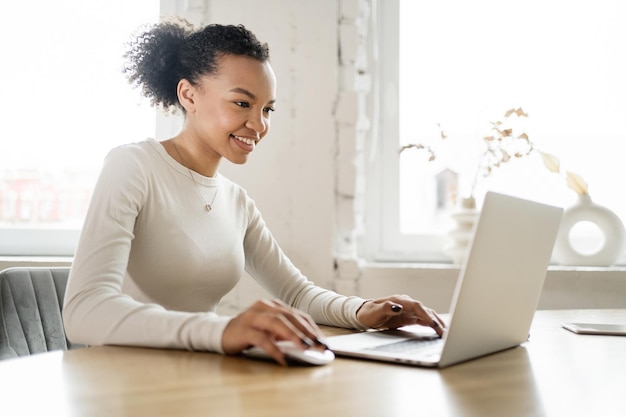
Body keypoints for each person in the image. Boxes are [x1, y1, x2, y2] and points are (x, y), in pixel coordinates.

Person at [62, 20, 444, 366]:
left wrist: (367, 310)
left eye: (268, 110)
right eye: (243, 103)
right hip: (124, 384)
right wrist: (221, 332)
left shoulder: (236, 202)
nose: (258, 125)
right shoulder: (134, 166)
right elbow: (84, 310)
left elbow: (298, 295)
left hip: (198, 376)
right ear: (189, 95)